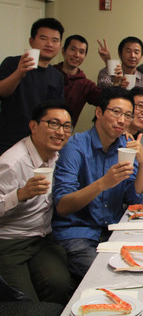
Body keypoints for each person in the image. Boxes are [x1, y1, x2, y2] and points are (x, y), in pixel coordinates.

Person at [52, 87, 143, 279]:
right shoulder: (75, 147)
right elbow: (62, 205)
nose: (122, 121)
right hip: (79, 233)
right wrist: (103, 183)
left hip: (114, 230)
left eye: (128, 115)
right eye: (116, 112)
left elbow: (134, 199)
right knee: (107, 278)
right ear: (99, 112)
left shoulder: (124, 147)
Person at [0, 101, 72, 304]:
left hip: (41, 239)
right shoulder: (12, 162)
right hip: (9, 241)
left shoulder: (58, 156)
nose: (60, 132)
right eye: (53, 124)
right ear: (33, 126)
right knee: (23, 303)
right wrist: (20, 194)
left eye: (66, 126)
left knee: (60, 285)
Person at [0, 18, 65, 154]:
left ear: (59, 45)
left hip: (40, 144)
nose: (49, 44)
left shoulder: (57, 76)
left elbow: (56, 112)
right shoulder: (12, 63)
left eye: (55, 40)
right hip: (8, 141)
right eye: (43, 38)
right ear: (31, 41)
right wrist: (19, 73)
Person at [54, 34, 102, 126]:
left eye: (81, 52)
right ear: (63, 51)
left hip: (65, 131)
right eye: (73, 49)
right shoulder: (50, 73)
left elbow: (105, 100)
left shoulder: (85, 85)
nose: (76, 55)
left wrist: (108, 63)